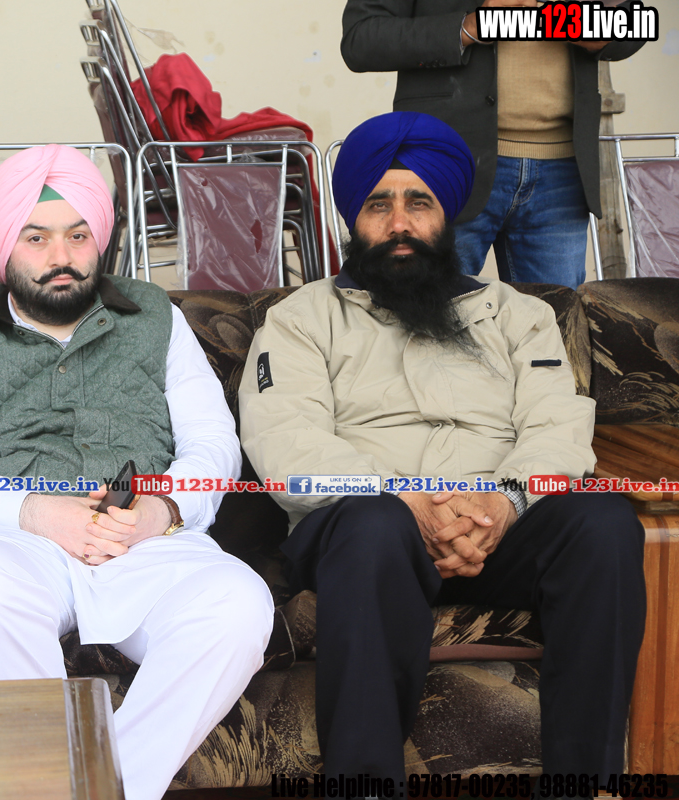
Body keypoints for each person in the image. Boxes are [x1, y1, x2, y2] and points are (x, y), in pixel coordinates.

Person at [239, 111, 646, 781]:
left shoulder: (521, 316)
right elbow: (287, 441)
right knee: (373, 526)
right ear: (353, 218)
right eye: (379, 204)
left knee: (603, 522)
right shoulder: (300, 320)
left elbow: (557, 427)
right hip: (364, 532)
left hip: (497, 525)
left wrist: (503, 503)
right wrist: (405, 501)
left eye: (419, 202)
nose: (399, 223)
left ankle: (585, 786)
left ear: (447, 214)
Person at [0, 145, 273, 800]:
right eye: (35, 237)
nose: (61, 256)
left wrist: (162, 509)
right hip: (17, 543)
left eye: (77, 236)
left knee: (239, 603)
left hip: (146, 541)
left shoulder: (157, 317)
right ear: (3, 247)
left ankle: (104, 788)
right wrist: (34, 511)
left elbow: (213, 443)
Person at [340, 0, 646, 288]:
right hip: (450, 165)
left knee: (555, 320)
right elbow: (361, 39)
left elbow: (631, 22)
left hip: (563, 168)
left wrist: (605, 30)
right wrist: (470, 27)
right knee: (429, 313)